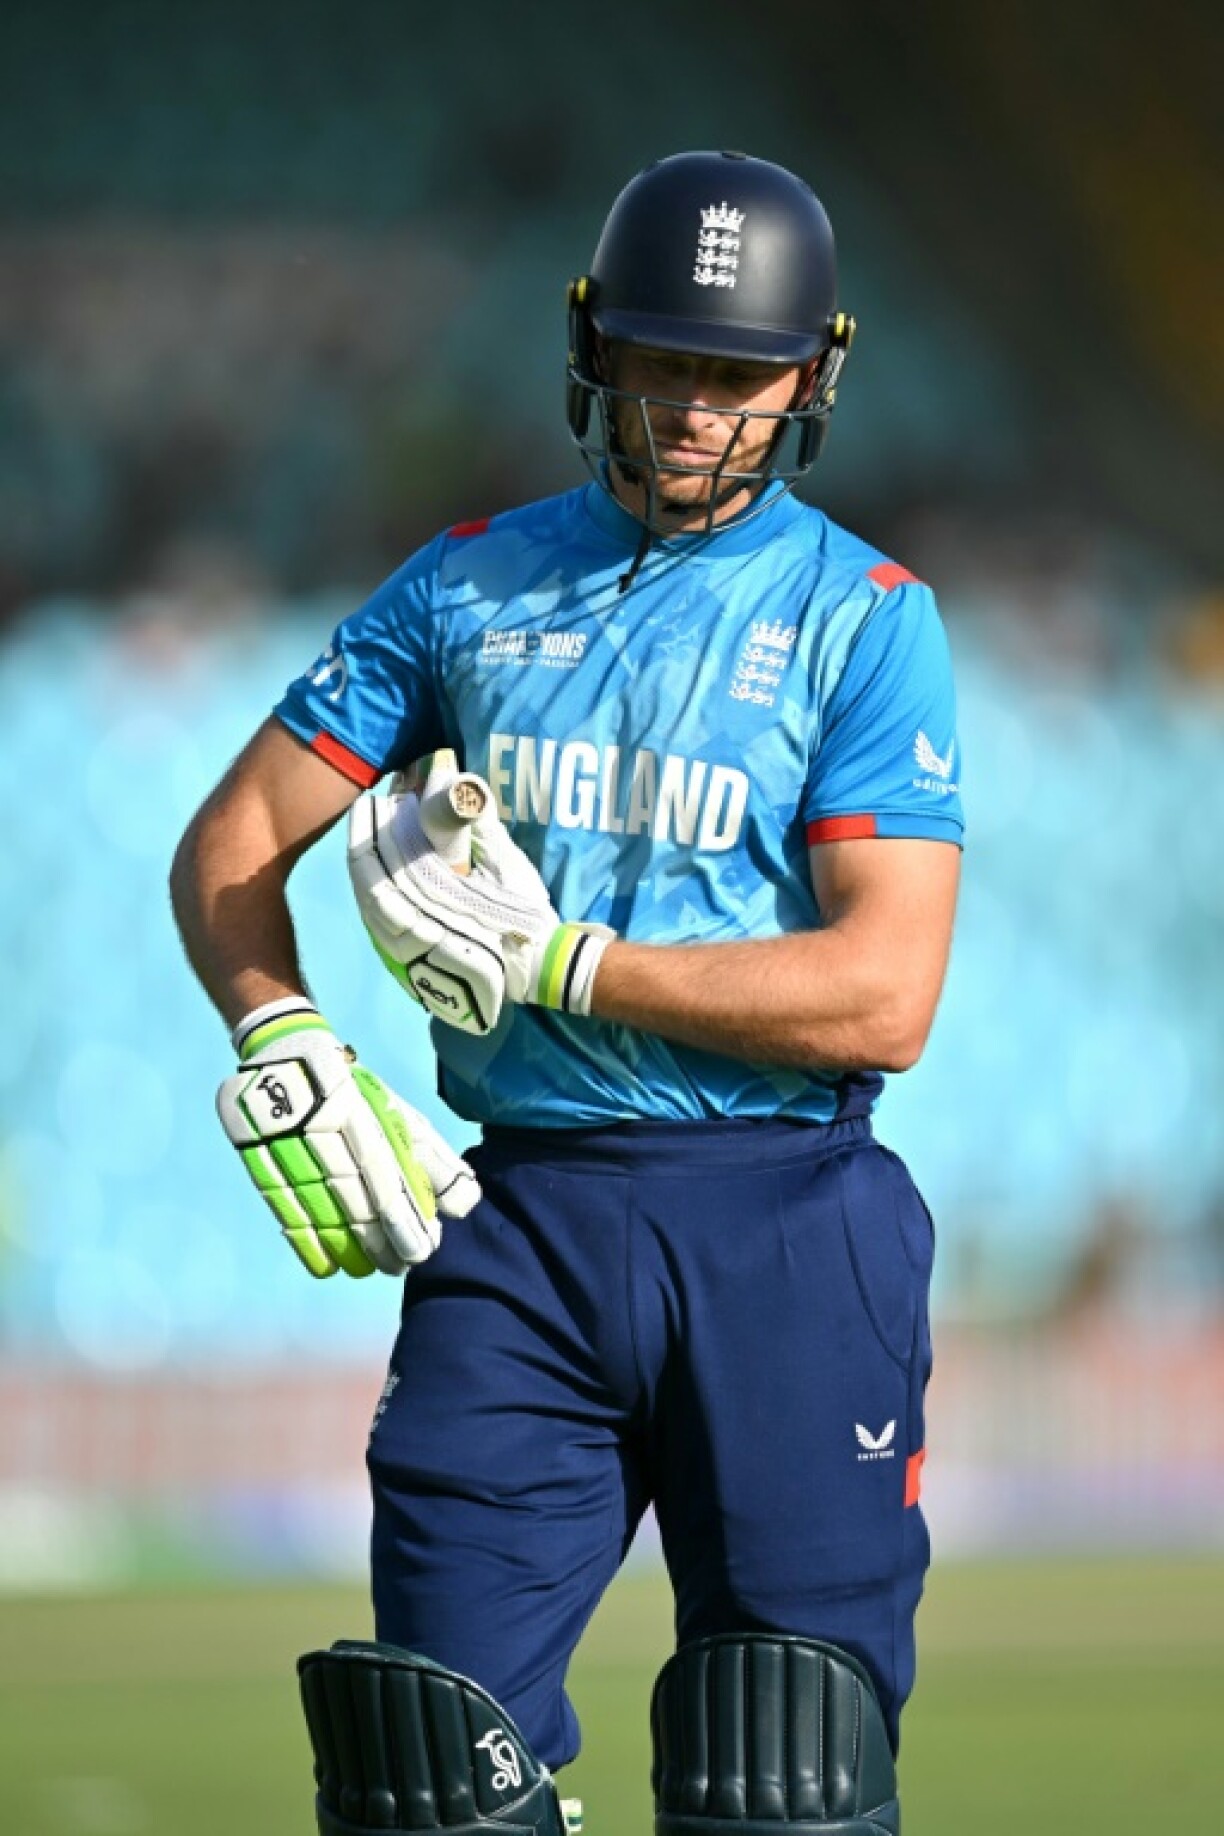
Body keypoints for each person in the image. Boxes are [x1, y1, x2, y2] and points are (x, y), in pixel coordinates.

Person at [171, 150, 962, 1836]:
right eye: (663, 359)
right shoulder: (464, 584)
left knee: (787, 1772)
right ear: (595, 345)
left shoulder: (867, 620)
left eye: (735, 374)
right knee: (425, 1772)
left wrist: (566, 967)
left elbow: (885, 996)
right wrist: (280, 1021)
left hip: (784, 1217)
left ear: (811, 377)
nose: (692, 409)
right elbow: (234, 837)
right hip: (517, 1226)